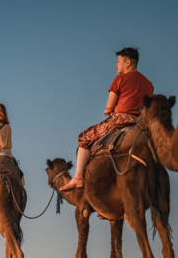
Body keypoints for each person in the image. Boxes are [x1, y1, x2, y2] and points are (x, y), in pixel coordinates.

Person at [60, 47, 154, 191]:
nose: (117, 65)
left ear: (128, 62)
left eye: (119, 61)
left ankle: (78, 177)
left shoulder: (120, 79)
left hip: (120, 120)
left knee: (84, 138)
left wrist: (108, 110)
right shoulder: (149, 84)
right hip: (140, 123)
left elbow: (109, 107)